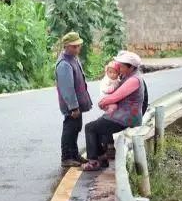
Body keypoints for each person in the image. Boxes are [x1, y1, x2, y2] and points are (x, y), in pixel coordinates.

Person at [82, 51, 144, 171]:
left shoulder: (134, 80)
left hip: (126, 117)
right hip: (121, 114)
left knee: (90, 128)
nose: (119, 68)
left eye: (121, 66)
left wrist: (103, 102)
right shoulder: (128, 76)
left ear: (130, 67)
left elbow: (117, 96)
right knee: (98, 127)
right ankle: (102, 159)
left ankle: (94, 161)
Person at [56, 31, 92, 167]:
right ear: (66, 46)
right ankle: (66, 157)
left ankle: (74, 154)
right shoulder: (64, 64)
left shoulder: (73, 58)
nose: (77, 49)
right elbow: (67, 89)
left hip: (76, 104)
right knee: (69, 129)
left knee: (76, 128)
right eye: (74, 46)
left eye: (78, 46)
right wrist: (74, 107)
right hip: (72, 105)